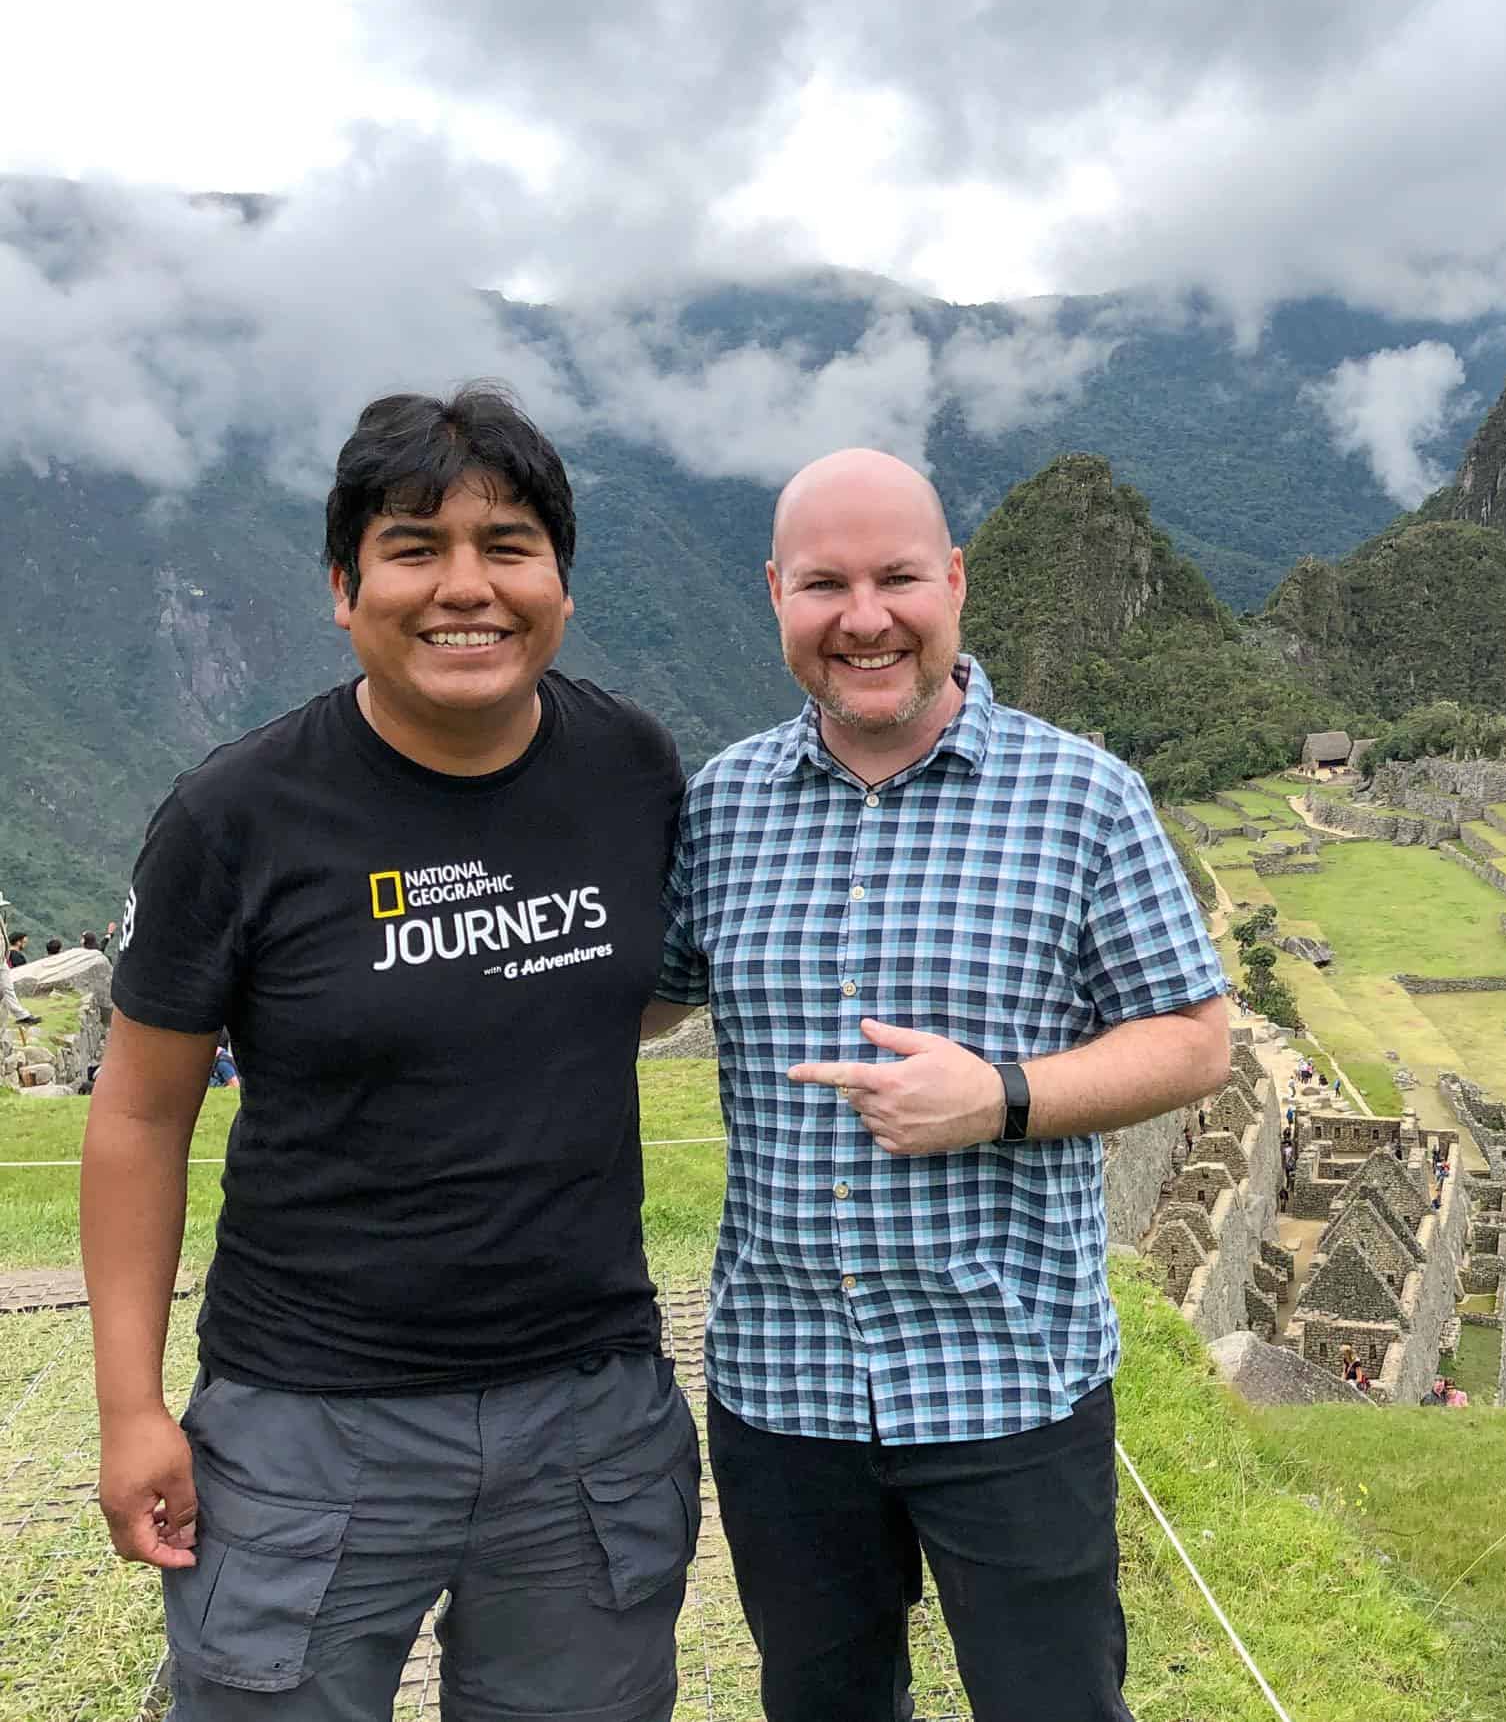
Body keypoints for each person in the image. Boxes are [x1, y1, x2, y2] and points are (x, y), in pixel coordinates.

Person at [82, 384, 695, 1722]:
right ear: (345, 585)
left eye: (509, 545)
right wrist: (132, 1406)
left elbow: (625, 997)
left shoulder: (630, 767)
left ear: (563, 583)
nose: (465, 585)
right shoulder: (235, 815)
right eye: (417, 546)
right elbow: (137, 1115)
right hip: (306, 1423)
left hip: (584, 1413)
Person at [651, 449, 1230, 1722]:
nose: (865, 618)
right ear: (775, 596)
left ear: (954, 581)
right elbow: (635, 994)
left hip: (1008, 1374)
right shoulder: (722, 808)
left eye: (897, 577)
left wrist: (1004, 1097)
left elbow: (1195, 1038)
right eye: (824, 585)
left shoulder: (1082, 799)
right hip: (783, 1380)